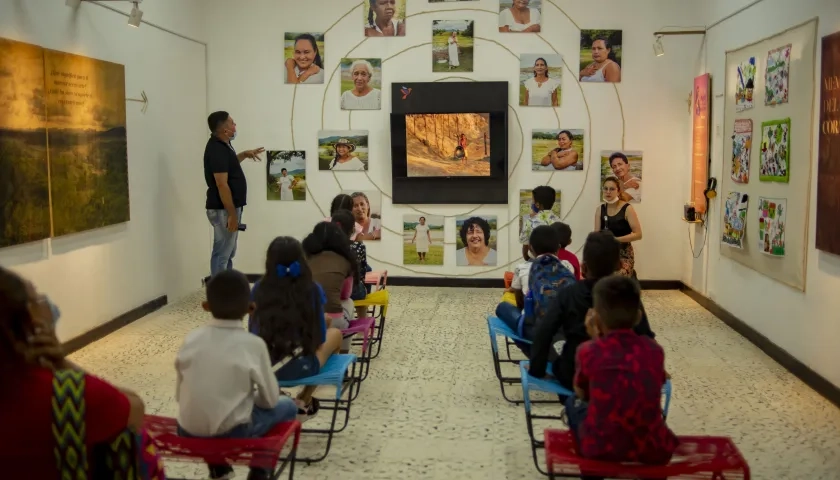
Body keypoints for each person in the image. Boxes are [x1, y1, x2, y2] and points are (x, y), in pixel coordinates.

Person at [0, 267, 151, 479]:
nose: (46, 303)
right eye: (36, 299)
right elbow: (134, 410)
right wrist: (61, 363)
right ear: (29, 319)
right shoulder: (67, 396)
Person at [176, 270, 297, 480]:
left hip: (187, 430)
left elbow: (180, 395)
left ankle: (219, 467)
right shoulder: (253, 345)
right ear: (251, 309)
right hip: (232, 434)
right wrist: (252, 401)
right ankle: (260, 470)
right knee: (287, 406)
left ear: (206, 307)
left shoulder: (191, 339)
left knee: (214, 411)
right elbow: (270, 400)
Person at [565, 275, 677, 473]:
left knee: (572, 403)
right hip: (652, 448)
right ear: (638, 316)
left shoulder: (588, 351)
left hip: (601, 447)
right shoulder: (654, 350)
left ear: (596, 317)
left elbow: (583, 394)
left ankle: (591, 475)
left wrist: (595, 339)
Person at [529, 231, 658, 391]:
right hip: (619, 375)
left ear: (583, 267)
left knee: (558, 344)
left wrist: (537, 370)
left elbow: (544, 331)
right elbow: (645, 336)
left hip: (574, 373)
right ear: (619, 265)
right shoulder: (628, 295)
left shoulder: (568, 293)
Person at [250, 237, 344, 423]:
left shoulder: (259, 289)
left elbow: (253, 334)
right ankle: (305, 399)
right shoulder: (312, 289)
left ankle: (276, 395)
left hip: (267, 369)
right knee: (336, 334)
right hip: (304, 367)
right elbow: (319, 337)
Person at [204, 111, 264, 277]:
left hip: (229, 208)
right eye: (232, 123)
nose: (235, 126)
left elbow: (227, 166)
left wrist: (244, 154)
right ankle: (218, 294)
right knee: (222, 252)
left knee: (228, 252)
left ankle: (227, 288)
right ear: (224, 130)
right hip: (223, 209)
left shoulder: (224, 146)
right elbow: (222, 184)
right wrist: (231, 214)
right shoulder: (217, 149)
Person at [495, 226, 575, 350]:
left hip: (535, 333)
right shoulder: (568, 267)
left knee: (503, 307)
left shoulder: (522, 268)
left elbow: (520, 302)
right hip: (564, 332)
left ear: (531, 248)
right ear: (558, 248)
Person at [303, 221, 361, 345]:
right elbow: (345, 294)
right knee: (348, 302)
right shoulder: (345, 259)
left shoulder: (306, 258)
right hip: (333, 319)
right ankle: (344, 351)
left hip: (305, 319)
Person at [596, 177, 642, 277]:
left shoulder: (627, 209)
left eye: (612, 189)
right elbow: (596, 235)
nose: (608, 192)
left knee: (616, 276)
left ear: (618, 191)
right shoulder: (600, 210)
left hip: (624, 253)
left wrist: (616, 240)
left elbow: (638, 234)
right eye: (605, 189)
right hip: (606, 252)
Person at [520, 186, 561, 261]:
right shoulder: (559, 222)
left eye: (533, 200)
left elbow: (525, 253)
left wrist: (533, 262)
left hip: (534, 266)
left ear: (537, 204)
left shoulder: (529, 222)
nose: (532, 203)